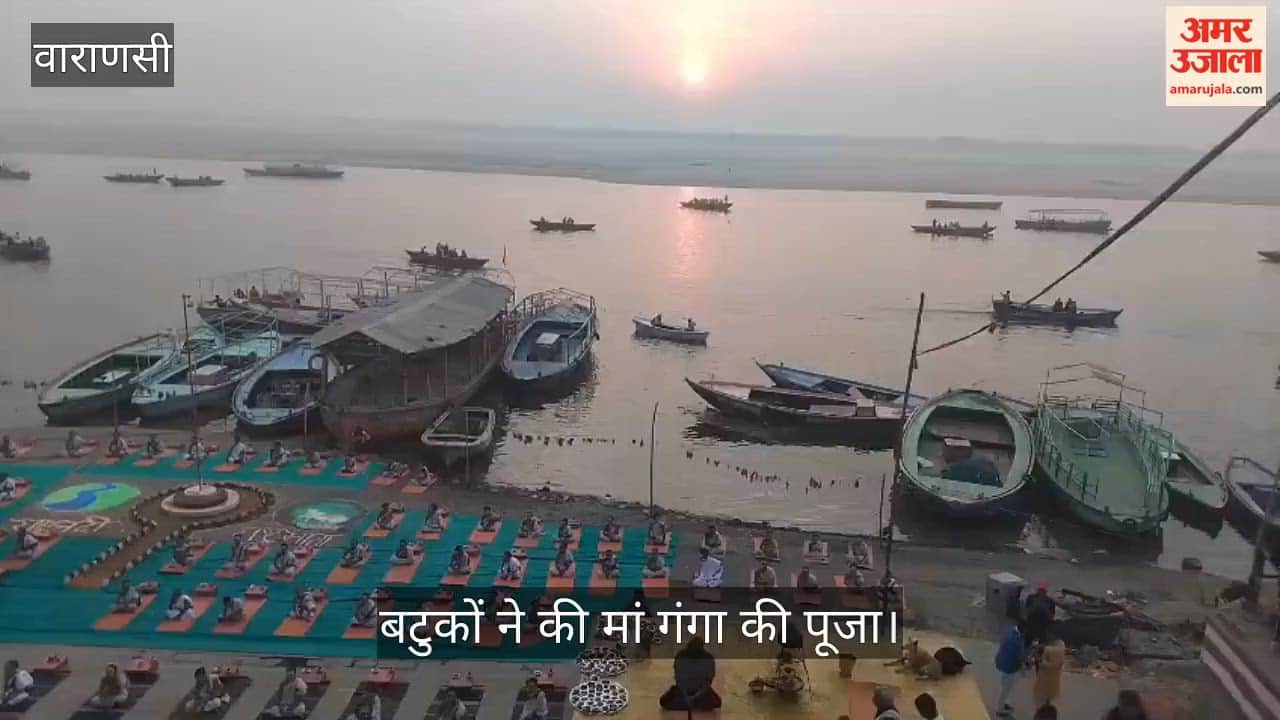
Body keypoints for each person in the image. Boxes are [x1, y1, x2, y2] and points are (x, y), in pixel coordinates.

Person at [659, 637, 721, 711]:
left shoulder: (681, 656)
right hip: (697, 692)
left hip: (687, 691)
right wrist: (693, 696)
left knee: (665, 701)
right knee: (715, 702)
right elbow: (707, 683)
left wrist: (689, 696)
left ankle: (685, 703)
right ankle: (695, 703)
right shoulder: (708, 658)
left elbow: (679, 680)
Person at [993, 624, 1025, 718]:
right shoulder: (1016, 640)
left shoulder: (1009, 632)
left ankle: (1004, 704)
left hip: (1002, 663)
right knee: (1005, 690)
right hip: (1009, 668)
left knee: (1006, 687)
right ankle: (999, 710)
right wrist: (1023, 666)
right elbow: (1019, 657)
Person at [1033, 631, 1065, 709]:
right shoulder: (1061, 645)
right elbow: (1060, 663)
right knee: (1048, 696)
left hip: (1046, 676)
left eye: (1050, 635)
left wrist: (1040, 661)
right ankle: (1047, 704)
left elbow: (1052, 664)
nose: (1048, 636)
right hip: (1053, 677)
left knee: (1040, 700)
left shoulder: (1050, 649)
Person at [1024, 580, 1056, 648]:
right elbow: (1052, 616)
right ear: (1046, 590)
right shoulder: (1050, 601)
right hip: (1042, 629)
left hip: (1031, 627)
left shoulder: (1031, 597)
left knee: (1027, 643)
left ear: (1037, 589)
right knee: (1042, 645)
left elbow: (1026, 610)